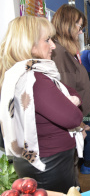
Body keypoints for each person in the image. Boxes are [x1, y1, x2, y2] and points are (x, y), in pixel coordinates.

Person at [0, 16, 83, 193]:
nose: (53, 45)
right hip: (50, 165)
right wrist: (71, 102)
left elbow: (72, 92)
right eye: (47, 40)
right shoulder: (34, 79)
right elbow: (74, 117)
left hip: (42, 161)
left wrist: (71, 99)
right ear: (29, 45)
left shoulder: (23, 74)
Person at [51, 4, 90, 176]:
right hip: (73, 121)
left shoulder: (66, 51)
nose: (81, 32)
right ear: (68, 25)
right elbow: (63, 96)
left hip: (80, 116)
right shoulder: (59, 53)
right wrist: (79, 124)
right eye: (79, 27)